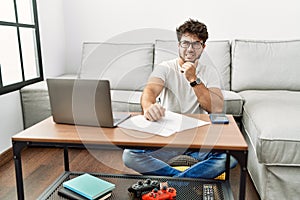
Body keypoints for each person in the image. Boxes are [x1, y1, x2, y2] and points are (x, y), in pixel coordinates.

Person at [122, 19, 236, 179]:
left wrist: (193, 79)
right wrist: (148, 107)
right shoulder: (165, 67)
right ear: (178, 45)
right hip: (168, 139)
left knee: (230, 158)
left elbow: (216, 108)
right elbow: (150, 90)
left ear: (203, 47)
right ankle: (184, 181)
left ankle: (172, 183)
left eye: (196, 44)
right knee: (130, 155)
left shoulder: (209, 72)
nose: (190, 49)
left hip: (198, 140)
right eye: (185, 43)